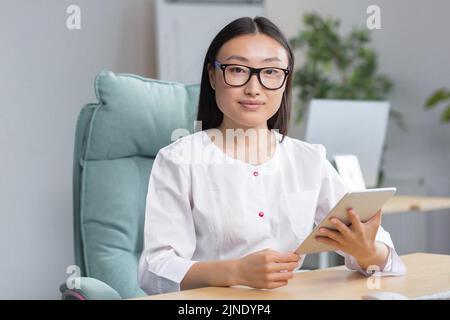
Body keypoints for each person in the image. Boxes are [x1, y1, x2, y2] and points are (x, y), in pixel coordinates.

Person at [138, 16, 406, 295]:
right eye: (238, 70)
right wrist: (236, 271)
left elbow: (384, 258)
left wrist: (366, 252)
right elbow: (155, 269)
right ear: (213, 76)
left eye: (270, 72)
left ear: (285, 80)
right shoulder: (180, 159)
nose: (254, 88)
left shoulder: (309, 159)